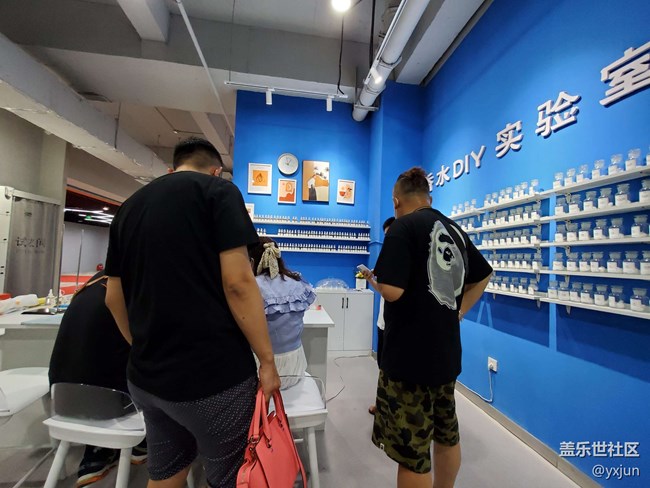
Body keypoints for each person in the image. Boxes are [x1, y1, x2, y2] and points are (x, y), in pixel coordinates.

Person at [104, 137, 281, 488]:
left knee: (167, 470)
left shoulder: (129, 207)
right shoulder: (218, 192)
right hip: (211, 377)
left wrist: (141, 347)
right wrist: (267, 361)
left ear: (173, 168)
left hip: (146, 379)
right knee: (232, 475)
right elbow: (238, 283)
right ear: (216, 171)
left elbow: (112, 297)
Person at [361, 167, 492, 488]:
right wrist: (459, 311)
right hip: (446, 355)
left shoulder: (402, 227)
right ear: (428, 199)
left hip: (409, 360)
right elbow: (484, 275)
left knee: (413, 453)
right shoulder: (454, 229)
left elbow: (393, 291)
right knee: (447, 434)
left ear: (396, 201)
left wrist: (376, 283)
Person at [49, 271, 146, 486]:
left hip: (61, 399)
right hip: (106, 403)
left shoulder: (93, 285)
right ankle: (144, 444)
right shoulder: (133, 289)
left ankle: (97, 454)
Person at [248, 237, 316, 389]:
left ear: (252, 260)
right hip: (296, 366)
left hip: (264, 370)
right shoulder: (297, 282)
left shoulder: (253, 286)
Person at [368, 216, 395, 415]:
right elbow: (385, 292)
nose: (388, 238)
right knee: (382, 366)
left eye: (390, 234)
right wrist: (372, 280)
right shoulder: (387, 258)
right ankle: (382, 403)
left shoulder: (401, 259)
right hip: (383, 322)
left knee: (391, 368)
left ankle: (389, 407)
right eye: (386, 235)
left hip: (395, 325)